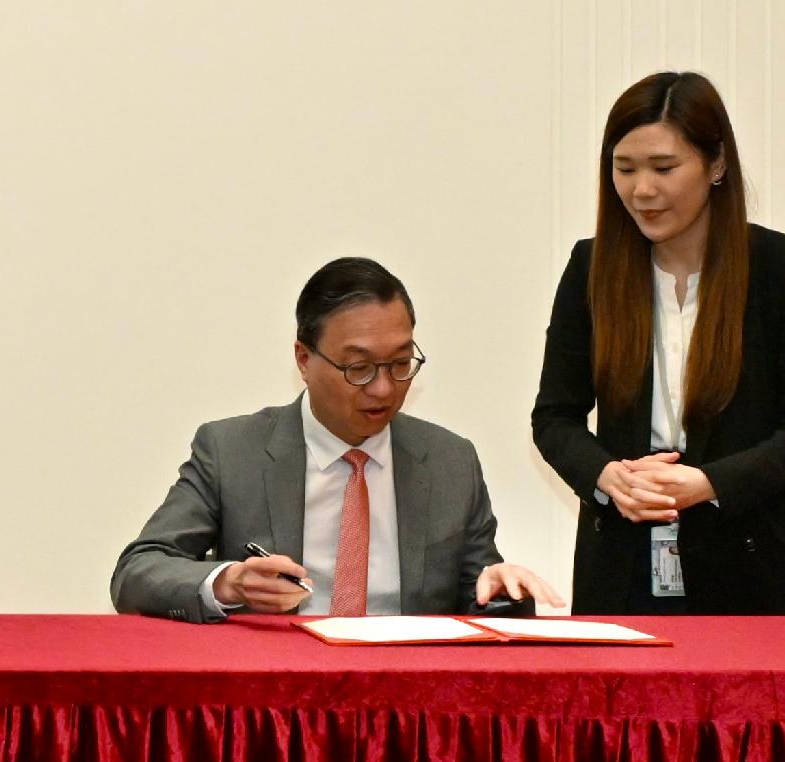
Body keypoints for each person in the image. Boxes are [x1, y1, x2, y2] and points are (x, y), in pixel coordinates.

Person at [529, 71, 785, 614]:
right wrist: (608, 478)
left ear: (716, 165)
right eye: (624, 169)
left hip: (760, 565)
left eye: (664, 168)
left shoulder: (784, 270)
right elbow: (554, 418)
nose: (641, 190)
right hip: (623, 567)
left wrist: (708, 482)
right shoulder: (590, 268)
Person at [113, 256, 551, 620]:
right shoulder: (232, 451)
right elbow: (137, 571)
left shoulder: (449, 460)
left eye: (400, 364)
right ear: (304, 358)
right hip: (277, 698)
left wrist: (502, 593)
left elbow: (482, 591)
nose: (383, 388)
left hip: (405, 695)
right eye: (358, 368)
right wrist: (227, 582)